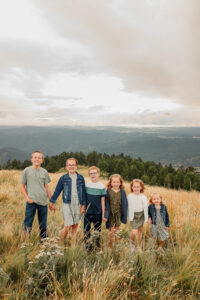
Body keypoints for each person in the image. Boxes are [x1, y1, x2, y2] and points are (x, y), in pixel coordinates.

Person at [49, 158, 86, 244]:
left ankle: (73, 245)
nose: (71, 166)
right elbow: (57, 190)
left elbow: (83, 192)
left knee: (75, 226)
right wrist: (52, 201)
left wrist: (83, 205)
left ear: (76, 166)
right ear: (66, 167)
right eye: (69, 165)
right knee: (68, 225)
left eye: (73, 165)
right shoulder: (63, 178)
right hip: (67, 204)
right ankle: (60, 243)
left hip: (78, 204)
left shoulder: (81, 178)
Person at [21, 150, 51, 240]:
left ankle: (44, 242)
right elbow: (22, 186)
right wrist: (27, 198)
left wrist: (51, 200)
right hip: (31, 201)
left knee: (43, 224)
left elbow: (46, 187)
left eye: (39, 158)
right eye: (35, 157)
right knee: (28, 222)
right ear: (31, 159)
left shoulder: (44, 172)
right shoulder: (27, 170)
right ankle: (25, 241)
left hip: (43, 202)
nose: (37, 159)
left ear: (42, 160)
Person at [84, 166, 106, 251]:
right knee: (86, 231)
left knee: (97, 231)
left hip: (98, 213)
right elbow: (84, 198)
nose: (93, 175)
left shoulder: (102, 187)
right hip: (87, 212)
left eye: (94, 173)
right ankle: (88, 248)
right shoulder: (87, 185)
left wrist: (103, 213)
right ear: (89, 175)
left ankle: (97, 248)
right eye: (91, 173)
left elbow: (103, 201)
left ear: (98, 174)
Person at [104, 174, 127, 248]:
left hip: (118, 213)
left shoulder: (123, 192)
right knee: (111, 231)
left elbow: (124, 203)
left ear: (120, 183)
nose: (116, 184)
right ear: (110, 183)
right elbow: (106, 203)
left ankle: (115, 246)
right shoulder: (108, 191)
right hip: (110, 213)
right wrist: (105, 215)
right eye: (114, 182)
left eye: (117, 182)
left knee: (117, 230)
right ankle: (110, 246)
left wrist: (124, 215)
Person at [127, 179, 148, 252]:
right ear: (132, 187)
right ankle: (132, 245)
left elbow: (145, 208)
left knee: (139, 232)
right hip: (133, 215)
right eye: (134, 187)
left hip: (141, 215)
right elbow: (127, 207)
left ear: (141, 187)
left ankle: (139, 247)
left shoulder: (143, 197)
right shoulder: (129, 196)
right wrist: (127, 217)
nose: (136, 188)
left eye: (138, 187)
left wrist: (146, 218)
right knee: (134, 232)